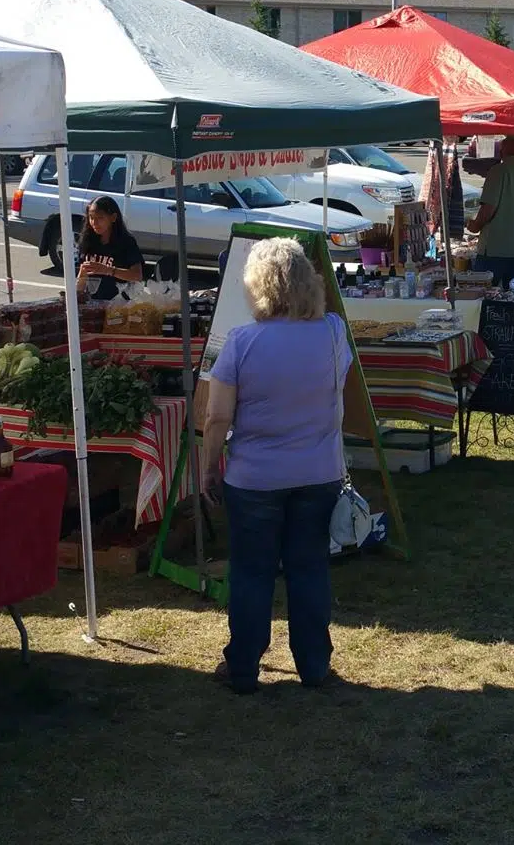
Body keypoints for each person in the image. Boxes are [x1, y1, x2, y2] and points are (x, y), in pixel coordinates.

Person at [197, 237, 352, 694]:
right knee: (309, 569)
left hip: (256, 476)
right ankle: (314, 665)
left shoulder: (243, 341)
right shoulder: (332, 332)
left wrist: (210, 468)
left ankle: (243, 667)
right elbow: (332, 394)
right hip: (318, 471)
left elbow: (217, 417)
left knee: (251, 573)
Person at [465, 138, 514, 287]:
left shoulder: (498, 172)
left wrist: (475, 226)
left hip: (495, 249)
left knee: (483, 295)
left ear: (501, 153)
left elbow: (489, 208)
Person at [76, 196, 144, 302]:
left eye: (100, 218)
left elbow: (137, 275)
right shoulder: (88, 239)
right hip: (91, 302)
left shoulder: (126, 242)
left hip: (118, 303)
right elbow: (81, 278)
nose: (94, 222)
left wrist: (108, 270)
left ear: (113, 218)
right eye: (91, 217)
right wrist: (78, 288)